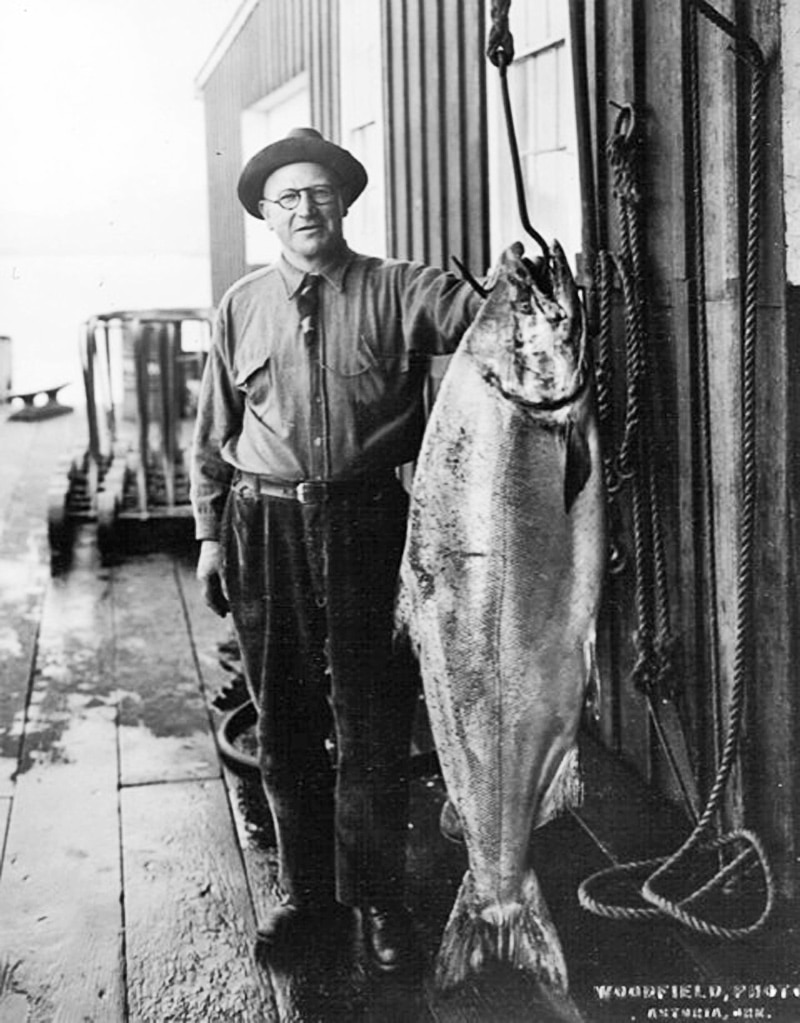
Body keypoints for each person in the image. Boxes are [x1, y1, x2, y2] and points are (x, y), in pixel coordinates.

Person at [191, 126, 480, 973]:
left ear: (346, 201)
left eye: (320, 192)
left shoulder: (401, 289)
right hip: (264, 523)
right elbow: (214, 435)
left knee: (373, 720)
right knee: (284, 717)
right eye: (288, 197)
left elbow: (489, 316)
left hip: (369, 525)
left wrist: (516, 280)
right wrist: (209, 536)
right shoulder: (241, 306)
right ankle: (307, 895)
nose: (305, 207)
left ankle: (380, 899)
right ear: (266, 215)